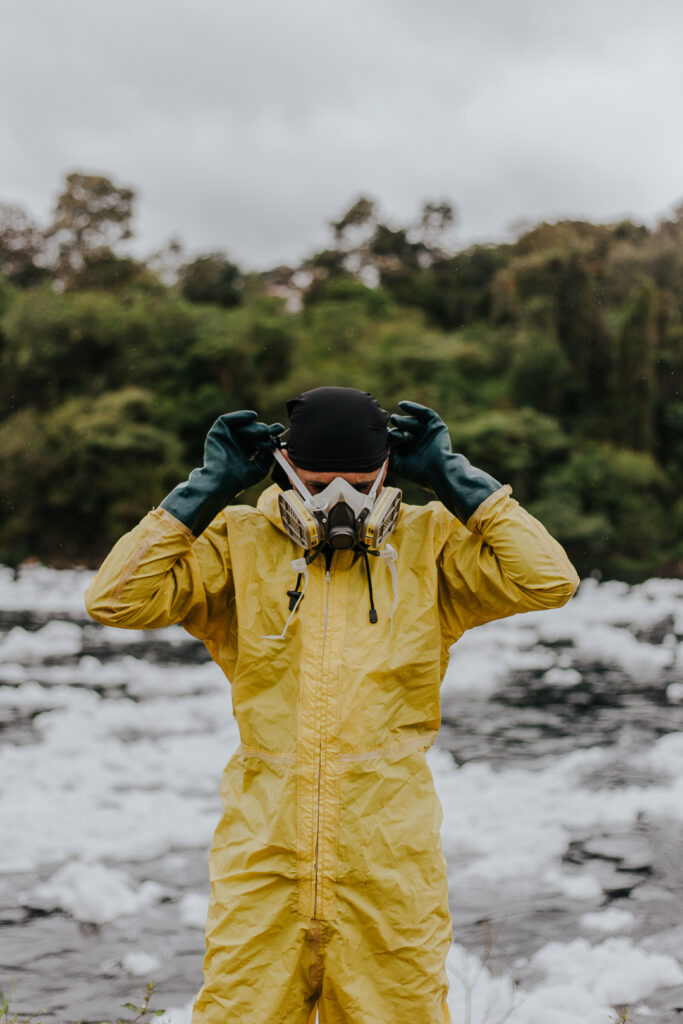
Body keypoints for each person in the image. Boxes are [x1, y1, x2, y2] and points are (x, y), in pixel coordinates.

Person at [85, 386, 579, 1024]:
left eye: (356, 482)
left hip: (390, 867)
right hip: (263, 859)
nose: (337, 502)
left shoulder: (431, 547)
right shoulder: (235, 546)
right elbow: (115, 600)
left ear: (387, 474)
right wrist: (203, 491)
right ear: (285, 470)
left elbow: (549, 580)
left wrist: (456, 481)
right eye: (318, 483)